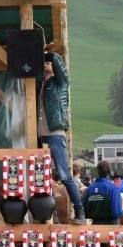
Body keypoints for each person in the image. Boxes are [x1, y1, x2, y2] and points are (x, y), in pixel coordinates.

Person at [37, 50, 86, 224]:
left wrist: (47, 55)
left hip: (55, 134)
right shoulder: (39, 85)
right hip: (40, 137)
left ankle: (80, 211)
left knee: (64, 175)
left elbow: (58, 64)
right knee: (42, 178)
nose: (46, 65)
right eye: (43, 64)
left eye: (48, 64)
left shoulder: (60, 84)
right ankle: (52, 215)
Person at [82, 160, 123, 225]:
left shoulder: (89, 189)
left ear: (98, 171)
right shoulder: (113, 188)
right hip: (111, 227)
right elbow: (116, 213)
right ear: (109, 172)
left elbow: (85, 212)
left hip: (95, 226)